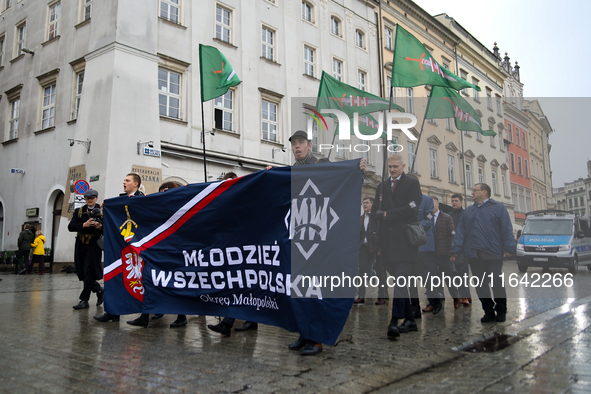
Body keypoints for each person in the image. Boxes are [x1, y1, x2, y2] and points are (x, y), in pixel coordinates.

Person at [287, 130, 366, 355]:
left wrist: (358, 171)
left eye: (301, 143)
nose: (297, 147)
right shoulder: (292, 171)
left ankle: (318, 339)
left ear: (310, 145)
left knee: (318, 292)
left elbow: (343, 184)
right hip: (301, 242)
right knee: (301, 291)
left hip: (322, 240)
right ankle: (304, 333)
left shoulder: (323, 164)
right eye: (294, 144)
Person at [370, 154, 422, 338]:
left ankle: (394, 321)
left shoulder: (411, 184)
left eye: (395, 166)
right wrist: (374, 234)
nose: (392, 169)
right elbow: (375, 211)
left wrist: (386, 215)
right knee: (401, 282)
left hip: (406, 241)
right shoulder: (382, 186)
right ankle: (411, 320)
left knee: (400, 281)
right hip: (387, 243)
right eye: (390, 166)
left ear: (403, 166)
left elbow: (412, 209)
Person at [127, 181, 189, 328]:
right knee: (150, 280)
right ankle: (145, 315)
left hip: (174, 251)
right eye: (161, 192)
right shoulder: (158, 207)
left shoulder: (181, 207)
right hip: (157, 251)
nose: (163, 194)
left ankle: (182, 315)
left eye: (166, 191)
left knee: (175, 283)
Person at [450, 183, 516, 323]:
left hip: (493, 252)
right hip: (474, 254)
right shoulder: (469, 211)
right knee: (480, 285)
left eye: (475, 190)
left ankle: (501, 310)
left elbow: (506, 228)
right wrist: (455, 250)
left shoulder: (498, 208)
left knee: (496, 282)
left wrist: (509, 248)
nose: (472, 193)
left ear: (484, 192)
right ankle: (488, 311)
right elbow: (461, 231)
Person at [208, 171, 259, 336]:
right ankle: (249, 320)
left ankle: (228, 322)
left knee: (242, 286)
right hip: (232, 250)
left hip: (249, 250)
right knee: (241, 286)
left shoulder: (246, 200)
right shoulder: (223, 202)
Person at [94, 173, 145, 323]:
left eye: (127, 180)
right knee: (114, 277)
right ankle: (112, 312)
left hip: (135, 247)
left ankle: (145, 314)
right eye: (124, 180)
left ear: (135, 184)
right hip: (119, 246)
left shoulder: (142, 199)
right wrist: (105, 209)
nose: (124, 182)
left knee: (139, 280)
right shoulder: (120, 200)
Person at [69, 189, 104, 310]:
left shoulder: (102, 210)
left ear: (96, 198)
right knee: (83, 272)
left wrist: (100, 226)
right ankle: (99, 290)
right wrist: (84, 225)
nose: (90, 200)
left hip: (94, 244)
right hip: (81, 244)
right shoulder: (79, 211)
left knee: (89, 270)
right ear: (84, 198)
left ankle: (84, 300)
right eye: (88, 198)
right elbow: (71, 226)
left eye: (92, 197)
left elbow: (110, 228)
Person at [405, 173, 434, 316]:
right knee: (408, 276)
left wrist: (412, 228)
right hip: (406, 245)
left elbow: (429, 221)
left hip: (422, 244)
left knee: (425, 275)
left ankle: (434, 301)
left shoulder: (427, 200)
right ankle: (413, 305)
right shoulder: (402, 200)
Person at [431, 196, 460, 310]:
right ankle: (437, 300)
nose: (430, 205)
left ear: (437, 204)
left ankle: (455, 297)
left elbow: (451, 236)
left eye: (432, 203)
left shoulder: (447, 217)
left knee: (449, 278)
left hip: (444, 253)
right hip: (432, 254)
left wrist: (453, 253)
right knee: (434, 279)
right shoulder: (427, 217)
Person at [354, 197, 377, 304]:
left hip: (375, 247)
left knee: (381, 272)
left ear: (372, 204)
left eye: (367, 203)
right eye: (363, 203)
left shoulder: (376, 217)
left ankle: (383, 295)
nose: (364, 205)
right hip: (363, 248)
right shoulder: (361, 218)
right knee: (361, 272)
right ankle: (361, 295)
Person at [449, 193, 470, 306]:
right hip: (451, 250)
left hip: (462, 251)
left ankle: (465, 297)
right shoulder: (449, 215)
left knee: (464, 274)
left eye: (456, 201)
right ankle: (459, 296)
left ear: (461, 202)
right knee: (454, 275)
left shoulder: (465, 215)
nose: (454, 203)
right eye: (452, 201)